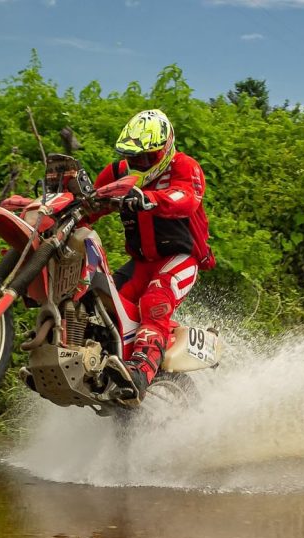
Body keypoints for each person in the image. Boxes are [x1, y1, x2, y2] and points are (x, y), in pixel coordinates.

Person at [91, 109, 214, 402]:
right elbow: (92, 204)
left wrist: (149, 198)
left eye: (148, 157)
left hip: (180, 259)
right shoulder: (118, 173)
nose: (140, 163)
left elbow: (187, 198)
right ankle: (98, 363)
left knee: (154, 301)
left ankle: (139, 372)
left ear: (166, 148)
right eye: (134, 157)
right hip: (141, 263)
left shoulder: (185, 166)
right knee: (101, 299)